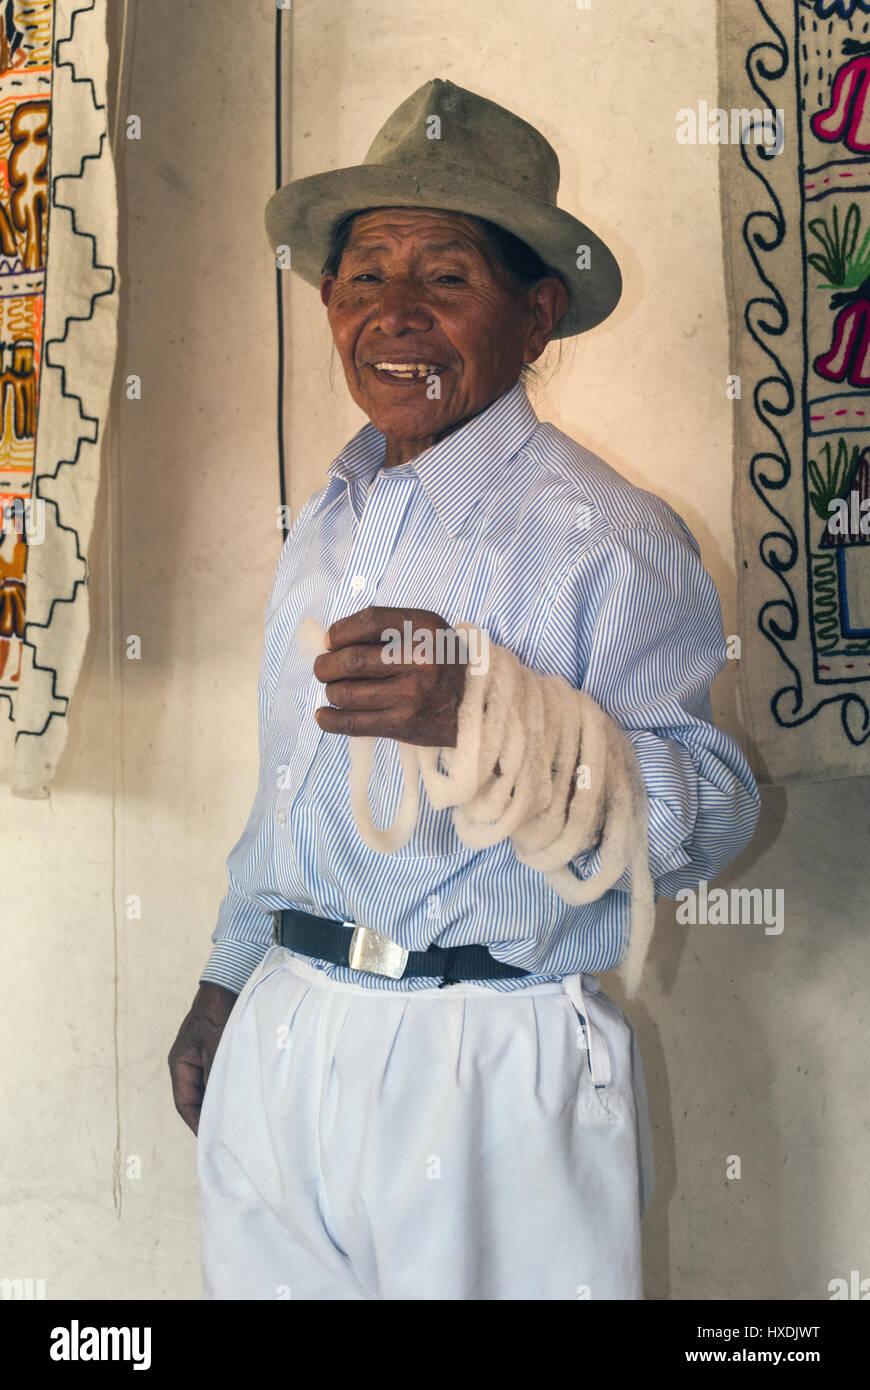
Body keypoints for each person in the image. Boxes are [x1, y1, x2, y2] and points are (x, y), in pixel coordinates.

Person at [168, 78, 760, 1301]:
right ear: (329, 302)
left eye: (445, 278)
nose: (395, 314)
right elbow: (290, 787)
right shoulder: (330, 521)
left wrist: (490, 714)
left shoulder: (609, 536)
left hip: (487, 1054)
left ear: (536, 316)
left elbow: (712, 814)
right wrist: (231, 973)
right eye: (364, 274)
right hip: (286, 1035)